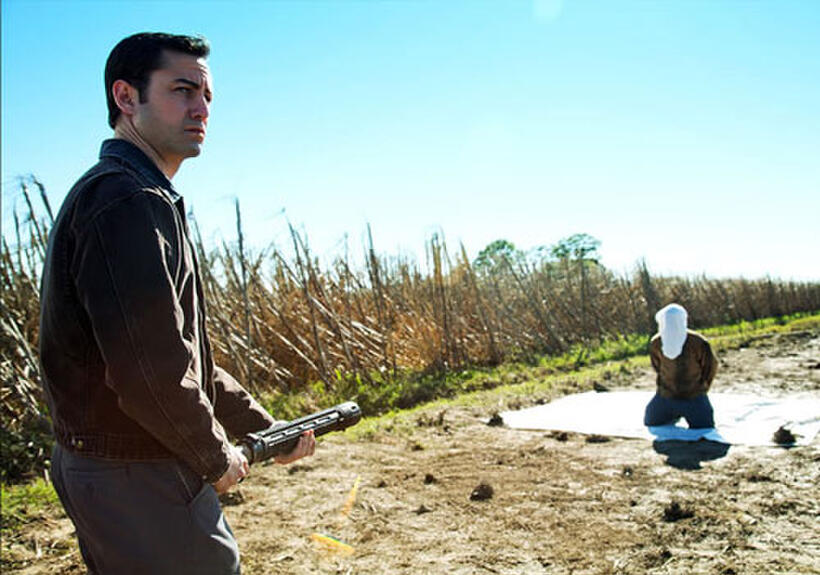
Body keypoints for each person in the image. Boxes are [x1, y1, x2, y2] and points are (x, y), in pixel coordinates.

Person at [38, 32, 315, 574]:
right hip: (136, 472)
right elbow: (149, 370)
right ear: (126, 97)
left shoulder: (134, 194)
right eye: (182, 90)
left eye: (207, 95)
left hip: (117, 468)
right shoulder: (128, 199)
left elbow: (179, 355)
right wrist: (214, 455)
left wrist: (264, 428)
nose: (202, 109)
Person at [644, 303, 718, 429]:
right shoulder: (656, 342)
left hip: (694, 397)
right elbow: (657, 366)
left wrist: (702, 388)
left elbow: (710, 366)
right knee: (651, 421)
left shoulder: (698, 342)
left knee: (704, 427)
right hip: (666, 397)